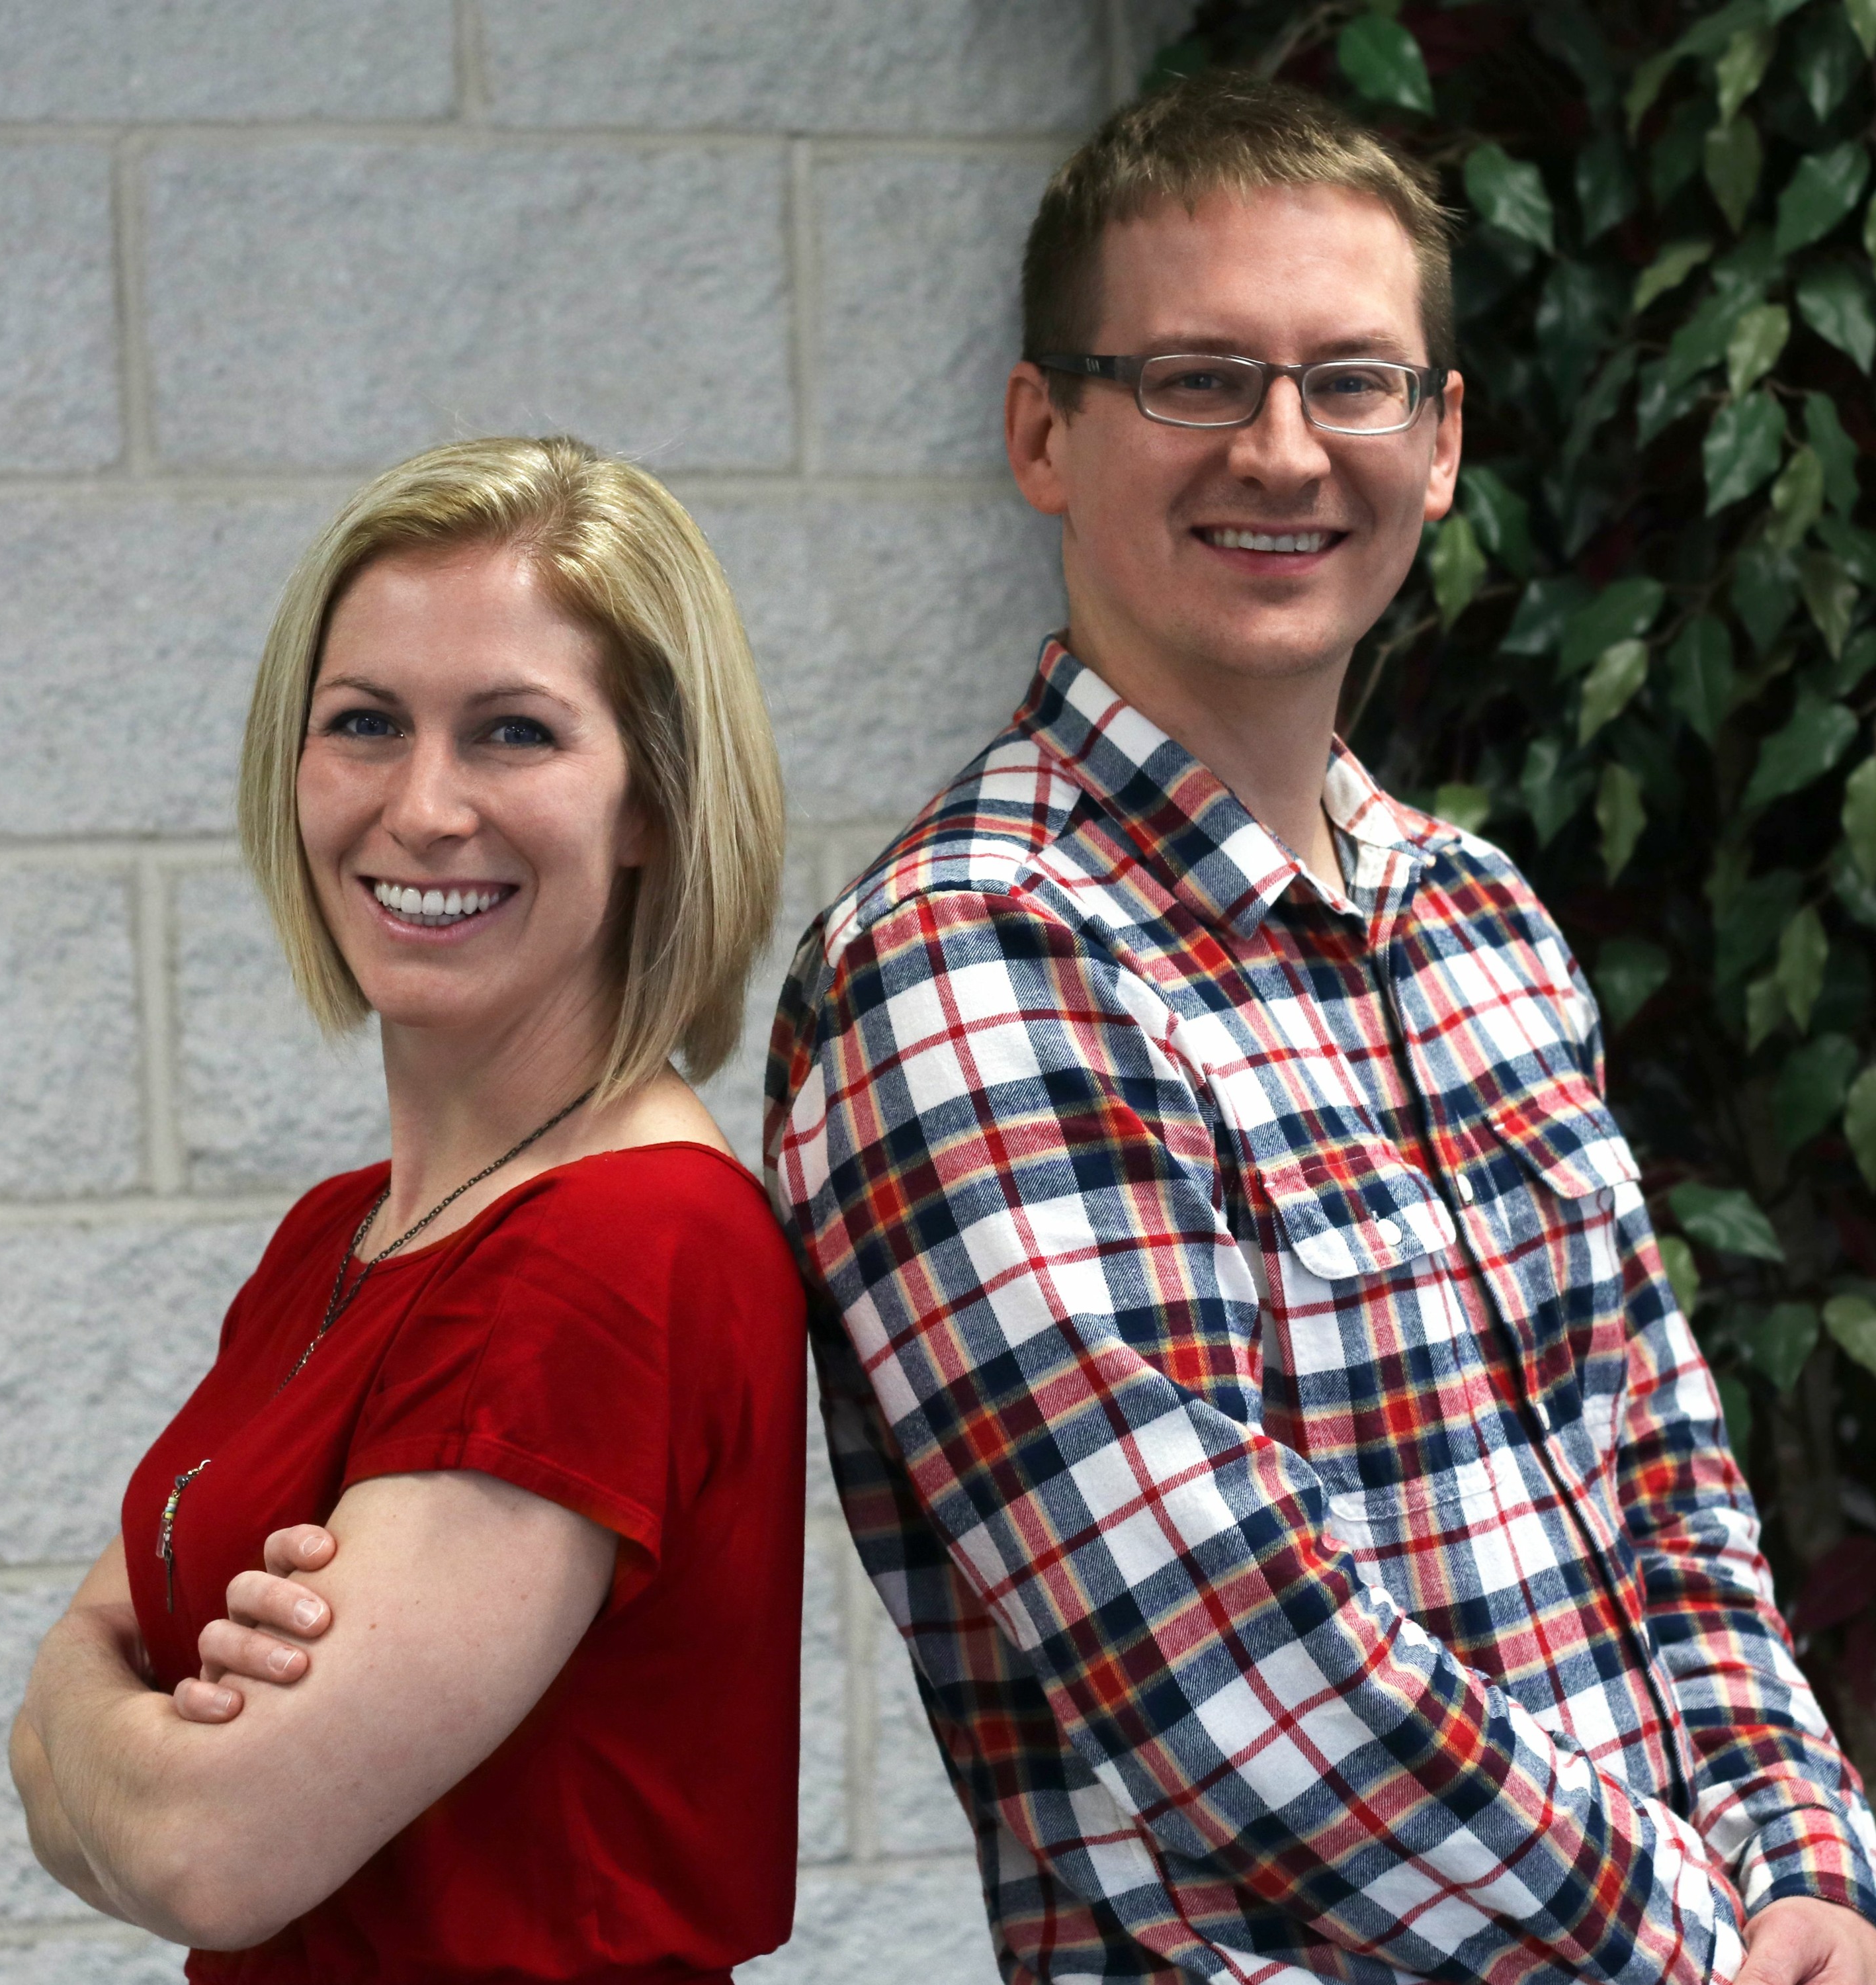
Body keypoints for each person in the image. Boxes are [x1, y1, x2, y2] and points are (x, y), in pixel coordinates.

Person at [765, 68, 1876, 1985]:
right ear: (1042, 434)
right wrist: (1712, 1949)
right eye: (1195, 379)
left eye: (1353, 382)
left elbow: (1667, 1480)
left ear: (1440, 443)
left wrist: (1811, 1866)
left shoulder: (1480, 918)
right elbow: (1239, 1678)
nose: (1283, 454)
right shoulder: (970, 961)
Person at [10, 435, 806, 1984]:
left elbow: (205, 1853)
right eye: (366, 723)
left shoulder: (618, 1249)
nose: (424, 808)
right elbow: (89, 1795)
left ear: (652, 801)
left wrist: (75, 1696)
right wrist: (96, 1712)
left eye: (514, 733)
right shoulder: (341, 1236)